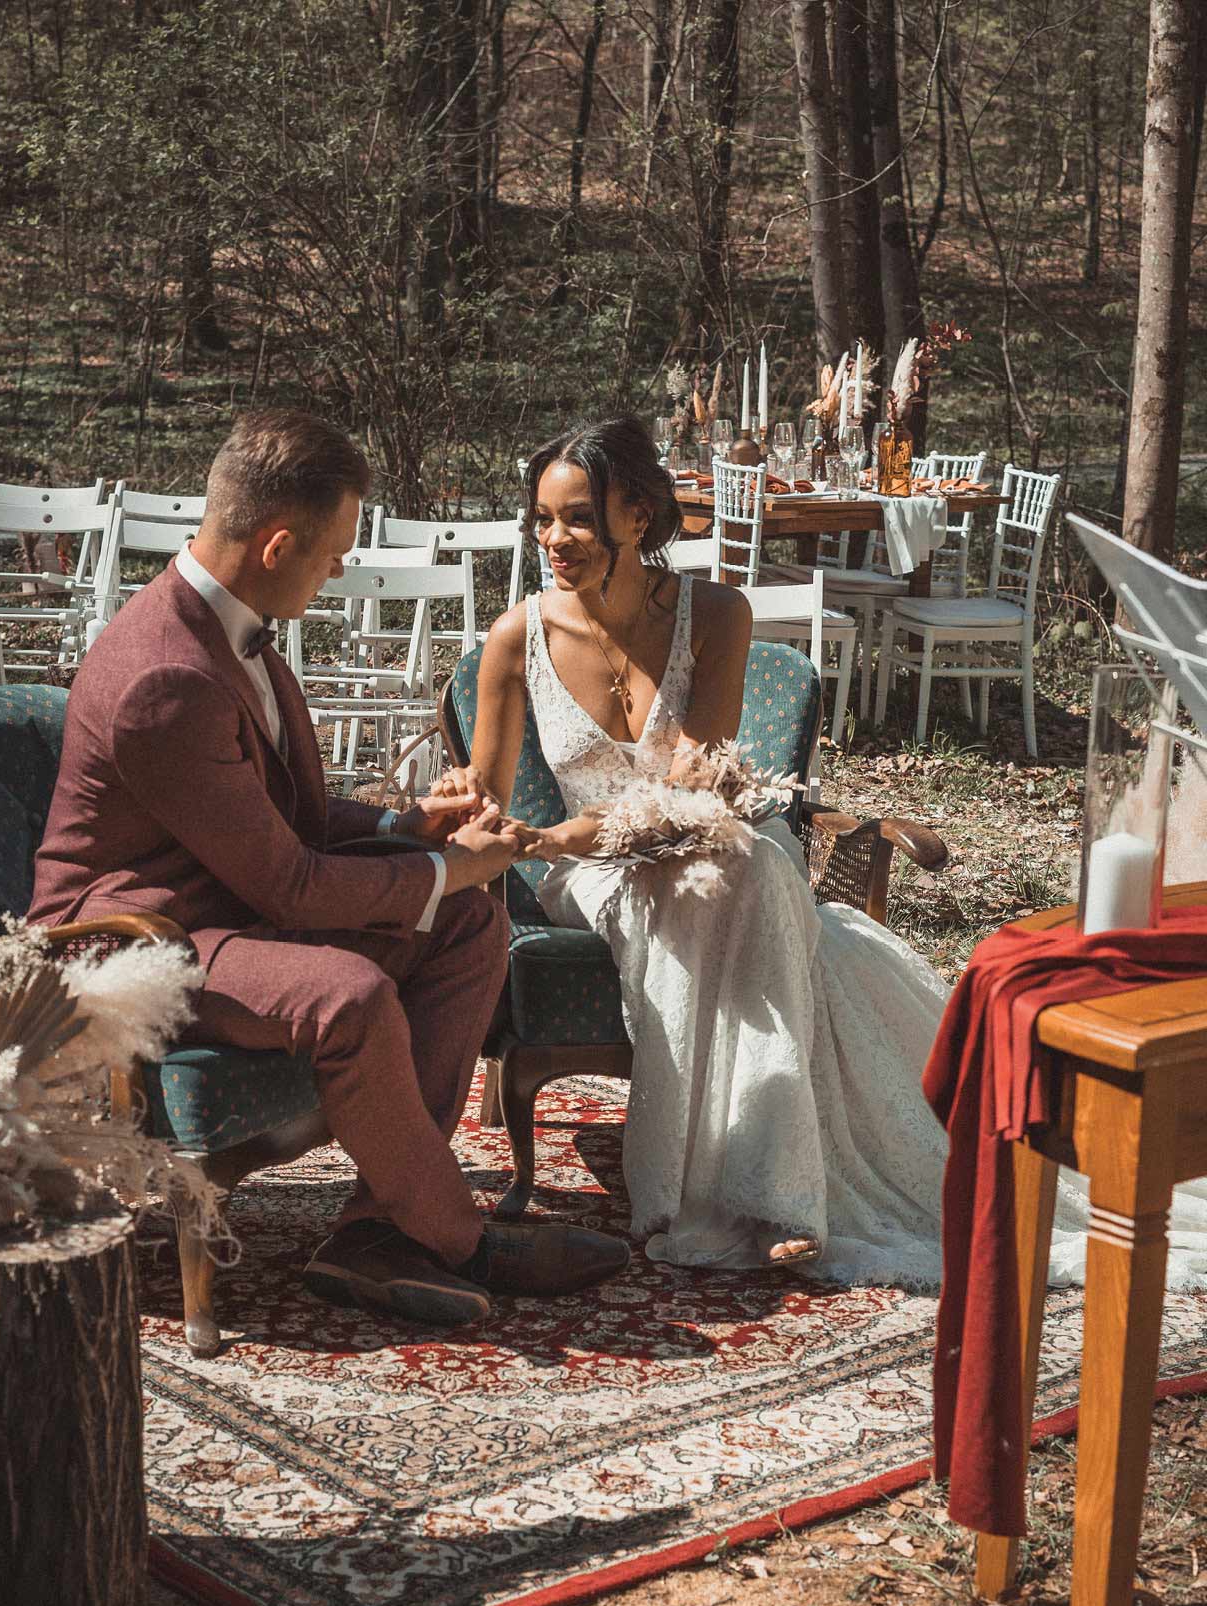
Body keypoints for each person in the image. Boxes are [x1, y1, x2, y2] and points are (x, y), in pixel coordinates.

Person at [454, 415, 1207, 1288]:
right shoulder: (517, 638)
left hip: (706, 834)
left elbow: (692, 787)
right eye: (542, 519)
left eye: (577, 517)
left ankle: (769, 1191)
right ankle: (741, 1195)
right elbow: (486, 793)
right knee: (719, 879)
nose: (555, 539)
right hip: (593, 869)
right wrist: (484, 823)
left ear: (639, 514)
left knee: (750, 863)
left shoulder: (717, 615)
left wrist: (689, 801)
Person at [29, 409, 629, 1326]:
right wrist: (453, 868)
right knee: (347, 993)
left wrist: (406, 821)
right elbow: (290, 884)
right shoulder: (168, 675)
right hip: (134, 939)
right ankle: (456, 1237)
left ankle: (379, 1233)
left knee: (469, 926)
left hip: (219, 904)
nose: (341, 568)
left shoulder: (229, 626)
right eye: (335, 552)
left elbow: (287, 821)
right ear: (276, 546)